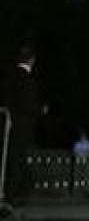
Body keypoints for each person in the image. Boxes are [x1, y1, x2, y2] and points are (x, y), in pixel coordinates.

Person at [2, 45, 41, 208]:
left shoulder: (10, 76)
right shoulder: (26, 79)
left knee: (12, 161)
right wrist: (39, 109)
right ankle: (13, 196)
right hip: (21, 127)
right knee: (17, 161)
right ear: (32, 60)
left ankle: (11, 193)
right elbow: (27, 104)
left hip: (8, 125)